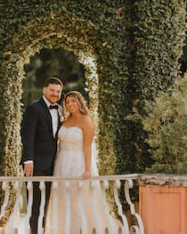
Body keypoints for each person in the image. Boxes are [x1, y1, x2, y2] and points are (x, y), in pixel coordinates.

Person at [47, 91, 120, 233]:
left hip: (78, 163)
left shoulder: (86, 120)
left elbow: (87, 147)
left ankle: (80, 229)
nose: (70, 104)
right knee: (63, 197)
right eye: (67, 102)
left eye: (73, 101)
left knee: (77, 198)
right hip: (61, 163)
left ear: (80, 102)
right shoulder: (65, 121)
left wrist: (87, 169)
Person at [21, 77, 63, 234]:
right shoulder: (34, 108)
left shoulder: (59, 109)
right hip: (35, 165)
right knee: (36, 203)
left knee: (46, 204)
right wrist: (28, 160)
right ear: (45, 90)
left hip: (53, 164)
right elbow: (28, 136)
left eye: (58, 91)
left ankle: (43, 231)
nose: (55, 94)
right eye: (52, 90)